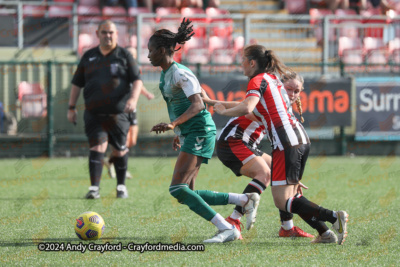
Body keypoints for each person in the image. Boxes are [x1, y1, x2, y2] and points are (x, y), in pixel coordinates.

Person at [213, 45, 349, 245]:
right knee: (291, 194)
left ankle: (334, 217)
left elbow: (248, 106)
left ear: (252, 63)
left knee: (283, 201)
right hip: (300, 139)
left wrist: (222, 112)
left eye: (243, 59)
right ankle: (324, 233)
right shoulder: (274, 80)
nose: (241, 63)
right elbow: (256, 108)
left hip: (286, 143)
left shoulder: (257, 80)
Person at [147, 18, 260, 243]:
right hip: (191, 133)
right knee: (187, 192)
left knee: (177, 189)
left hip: (200, 131)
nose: (148, 55)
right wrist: (179, 132)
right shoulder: (165, 73)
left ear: (161, 50)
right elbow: (176, 105)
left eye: (150, 50)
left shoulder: (180, 73)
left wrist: (174, 124)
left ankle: (227, 228)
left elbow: (198, 104)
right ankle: (244, 199)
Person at [201, 72, 314, 240]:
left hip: (248, 144)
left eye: (296, 91)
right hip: (233, 141)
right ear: (280, 87)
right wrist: (213, 104)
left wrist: (292, 177)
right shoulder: (270, 100)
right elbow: (245, 106)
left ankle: (287, 228)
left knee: (281, 175)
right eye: (288, 89)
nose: (292, 94)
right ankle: (233, 220)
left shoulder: (281, 106)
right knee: (266, 174)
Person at [67, 20, 143, 199]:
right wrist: (71, 107)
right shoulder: (88, 56)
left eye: (111, 32)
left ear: (117, 34)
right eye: (104, 32)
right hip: (94, 113)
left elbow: (137, 80)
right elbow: (77, 84)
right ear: (97, 34)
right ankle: (94, 188)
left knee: (120, 149)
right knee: (97, 147)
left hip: (119, 114)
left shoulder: (125, 55)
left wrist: (133, 99)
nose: (107, 36)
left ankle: (121, 187)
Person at [104, 46, 155, 180]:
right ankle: (121, 167)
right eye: (129, 54)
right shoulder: (117, 68)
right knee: (124, 140)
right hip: (122, 109)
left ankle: (110, 162)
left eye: (133, 54)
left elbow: (138, 84)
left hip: (133, 108)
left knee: (131, 141)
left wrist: (146, 93)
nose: (131, 56)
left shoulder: (134, 68)